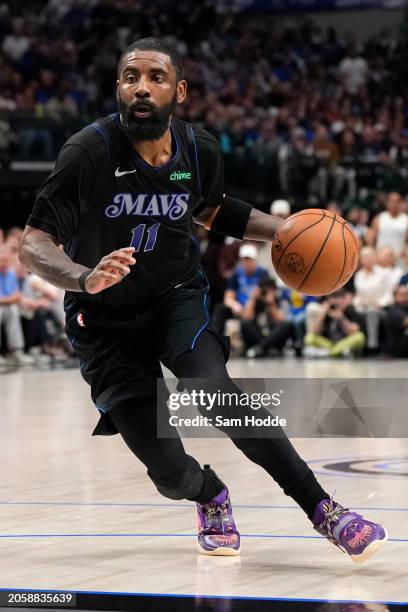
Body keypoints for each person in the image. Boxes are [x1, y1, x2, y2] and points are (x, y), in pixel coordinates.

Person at [19, 37, 387, 562]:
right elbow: (33, 243)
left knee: (217, 394)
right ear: (119, 88)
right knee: (168, 474)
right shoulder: (88, 152)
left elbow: (210, 210)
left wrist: (285, 231)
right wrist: (83, 276)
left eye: (156, 77)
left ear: (180, 90)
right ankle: (209, 494)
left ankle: (325, 510)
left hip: (175, 299)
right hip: (102, 322)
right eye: (130, 77)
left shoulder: (198, 149)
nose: (142, 87)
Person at [213, 244, 269, 335]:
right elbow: (228, 297)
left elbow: (265, 296)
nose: (247, 263)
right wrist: (234, 305)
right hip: (239, 306)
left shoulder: (262, 274)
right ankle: (216, 338)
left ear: (255, 260)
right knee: (220, 309)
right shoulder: (237, 274)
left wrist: (251, 303)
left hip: (256, 306)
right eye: (245, 260)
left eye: (249, 259)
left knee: (249, 320)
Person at [241, 277, 295, 358]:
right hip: (258, 334)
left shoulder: (280, 301)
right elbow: (247, 318)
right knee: (244, 323)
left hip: (273, 335)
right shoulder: (255, 302)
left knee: (286, 325)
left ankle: (259, 348)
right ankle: (265, 348)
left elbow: (282, 321)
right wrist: (253, 298)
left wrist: (271, 304)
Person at [304, 289, 366, 358]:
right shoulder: (328, 310)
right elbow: (315, 331)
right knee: (309, 337)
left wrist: (341, 318)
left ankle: (331, 352)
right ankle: (336, 352)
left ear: (344, 299)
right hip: (328, 343)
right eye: (332, 298)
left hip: (343, 342)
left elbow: (355, 329)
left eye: (337, 297)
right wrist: (322, 315)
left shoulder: (349, 309)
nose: (335, 301)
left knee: (359, 337)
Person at [368, 192, 408, 257]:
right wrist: (373, 251)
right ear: (387, 203)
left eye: (396, 202)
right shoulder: (379, 218)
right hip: (380, 258)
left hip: (399, 258)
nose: (393, 204)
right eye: (391, 202)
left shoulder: (406, 220)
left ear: (401, 203)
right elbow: (370, 237)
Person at [384, 285, 408, 357]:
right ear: (395, 296)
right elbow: (406, 322)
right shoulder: (393, 310)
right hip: (397, 347)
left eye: (407, 295)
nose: (405, 298)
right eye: (402, 295)